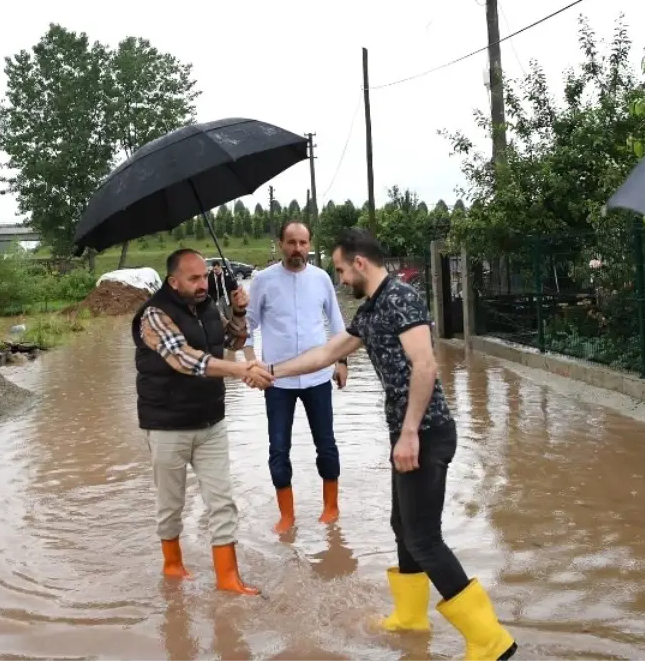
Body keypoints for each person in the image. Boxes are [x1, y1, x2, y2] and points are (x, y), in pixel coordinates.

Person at [255, 228, 518, 660]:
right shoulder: (373, 308)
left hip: (426, 432)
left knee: (424, 539)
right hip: (408, 433)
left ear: (360, 263)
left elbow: (426, 364)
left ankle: (491, 641)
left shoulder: (400, 298)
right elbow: (326, 354)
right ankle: (411, 618)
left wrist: (411, 431)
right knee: (404, 529)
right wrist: (270, 370)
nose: (339, 279)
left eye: (341, 269)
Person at [132, 248, 270, 596]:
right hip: (166, 426)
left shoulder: (207, 306)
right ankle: (173, 566)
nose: (202, 283)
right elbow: (184, 359)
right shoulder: (153, 315)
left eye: (204, 276)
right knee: (171, 505)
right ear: (172, 280)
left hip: (211, 422)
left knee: (222, 501)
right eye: (193, 278)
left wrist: (239, 311)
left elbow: (233, 341)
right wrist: (240, 370)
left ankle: (228, 578)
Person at [243, 220, 348, 533]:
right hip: (277, 381)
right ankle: (286, 515)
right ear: (280, 244)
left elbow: (337, 322)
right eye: (291, 243)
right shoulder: (262, 280)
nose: (297, 250)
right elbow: (247, 326)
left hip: (318, 377)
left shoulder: (321, 279)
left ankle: (331, 507)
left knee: (326, 445)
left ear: (310, 245)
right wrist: (251, 364)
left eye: (303, 243)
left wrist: (342, 360)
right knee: (278, 448)